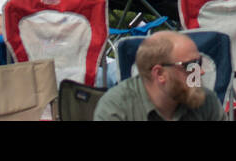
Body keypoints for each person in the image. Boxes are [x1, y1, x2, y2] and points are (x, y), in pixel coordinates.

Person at [95, 30, 225, 121]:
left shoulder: (205, 101)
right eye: (191, 65)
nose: (201, 71)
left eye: (200, 62)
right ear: (160, 74)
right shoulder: (117, 107)